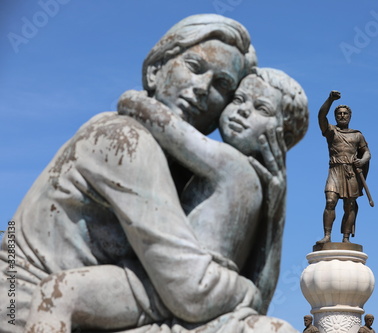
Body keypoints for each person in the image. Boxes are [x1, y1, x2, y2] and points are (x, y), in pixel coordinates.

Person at [0, 14, 262, 333]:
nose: (202, 89)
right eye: (194, 67)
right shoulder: (125, 141)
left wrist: (274, 202)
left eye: (222, 84)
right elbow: (192, 293)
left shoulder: (180, 167)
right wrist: (250, 292)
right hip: (30, 316)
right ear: (154, 71)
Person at [23, 67, 309, 333]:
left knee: (57, 293)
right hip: (176, 284)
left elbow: (163, 124)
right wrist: (277, 211)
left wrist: (136, 95)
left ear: (282, 135)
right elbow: (264, 284)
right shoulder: (251, 181)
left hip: (185, 286)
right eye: (238, 99)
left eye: (261, 108)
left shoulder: (229, 163)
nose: (242, 111)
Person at [316, 91, 371, 244]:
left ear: (349, 116)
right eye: (339, 113)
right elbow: (321, 116)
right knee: (330, 201)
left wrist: (362, 161)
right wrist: (330, 99)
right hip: (334, 170)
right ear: (335, 116)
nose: (342, 116)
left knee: (350, 205)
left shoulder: (357, 135)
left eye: (345, 113)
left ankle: (345, 238)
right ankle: (327, 236)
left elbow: (367, 153)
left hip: (350, 173)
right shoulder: (331, 131)